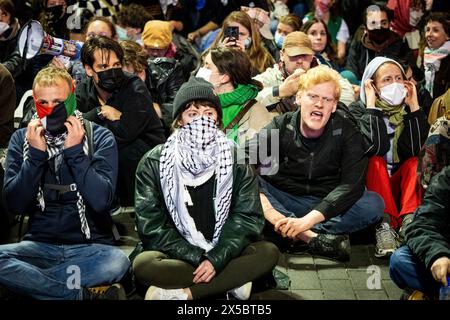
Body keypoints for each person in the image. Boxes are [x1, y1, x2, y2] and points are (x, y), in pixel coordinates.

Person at [132, 76, 279, 300]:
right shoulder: (154, 162)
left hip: (224, 249)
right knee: (144, 264)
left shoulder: (236, 159)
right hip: (178, 253)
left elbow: (247, 218)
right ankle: (231, 281)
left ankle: (183, 294)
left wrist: (216, 258)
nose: (202, 121)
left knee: (268, 253)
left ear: (218, 118)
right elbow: (151, 226)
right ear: (179, 120)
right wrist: (199, 257)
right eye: (193, 114)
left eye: (208, 114)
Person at [0, 66, 130, 300]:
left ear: (72, 95)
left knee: (118, 262)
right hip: (39, 245)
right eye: (43, 103)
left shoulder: (99, 137)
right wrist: (36, 158)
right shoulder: (22, 139)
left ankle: (35, 283)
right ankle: (78, 295)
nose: (50, 110)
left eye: (58, 102)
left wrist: (76, 154)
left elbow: (101, 201)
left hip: (90, 247)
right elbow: (14, 204)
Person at [249, 65, 384, 262]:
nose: (319, 104)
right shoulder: (280, 126)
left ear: (334, 105)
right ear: (298, 98)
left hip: (326, 203)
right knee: (247, 182)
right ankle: (311, 238)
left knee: (373, 204)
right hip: (282, 197)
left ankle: (289, 233)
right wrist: (271, 211)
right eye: (312, 96)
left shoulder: (346, 129)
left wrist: (306, 221)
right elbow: (243, 159)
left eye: (327, 99)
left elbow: (351, 185)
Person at [349, 57, 429, 256]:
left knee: (413, 162)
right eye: (386, 80)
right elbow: (373, 147)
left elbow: (417, 150)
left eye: (398, 78)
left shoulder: (410, 111)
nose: (395, 84)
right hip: (372, 190)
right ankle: (384, 227)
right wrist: (372, 107)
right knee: (375, 161)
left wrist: (414, 107)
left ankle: (410, 223)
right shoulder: (357, 111)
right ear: (372, 86)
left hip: (401, 187)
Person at [77, 36, 166, 207]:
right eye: (103, 67)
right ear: (89, 69)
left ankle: (141, 209)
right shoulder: (84, 90)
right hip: (108, 156)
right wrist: (99, 112)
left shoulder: (135, 87)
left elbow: (125, 133)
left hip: (147, 156)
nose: (112, 71)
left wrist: (93, 126)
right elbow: (75, 123)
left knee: (124, 149)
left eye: (116, 65)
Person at [253, 31, 356, 113]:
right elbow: (244, 97)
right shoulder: (273, 75)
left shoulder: (322, 71)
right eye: (294, 56)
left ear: (312, 56)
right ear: (282, 55)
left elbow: (348, 95)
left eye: (305, 56)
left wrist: (316, 101)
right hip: (281, 131)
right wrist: (280, 91)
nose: (300, 61)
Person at [389, 166, 450, 300]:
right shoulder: (446, 178)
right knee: (400, 260)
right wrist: (437, 255)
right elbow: (422, 223)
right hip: (447, 257)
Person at [196, 47, 274, 144]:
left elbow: (267, 155)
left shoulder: (256, 111)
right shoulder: (196, 102)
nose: (201, 70)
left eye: (207, 67)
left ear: (224, 77)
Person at [120, 39, 184, 133]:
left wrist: (141, 104)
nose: (134, 80)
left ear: (145, 65)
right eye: (127, 76)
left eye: (138, 73)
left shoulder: (168, 69)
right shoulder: (113, 79)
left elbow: (179, 112)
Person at [345, 4, 411, 80]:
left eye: (383, 23)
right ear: (365, 27)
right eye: (373, 23)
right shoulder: (359, 44)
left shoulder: (400, 44)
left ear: (389, 24)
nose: (379, 27)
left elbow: (408, 73)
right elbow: (351, 71)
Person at [211, 10, 274, 76]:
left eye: (241, 34)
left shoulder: (263, 57)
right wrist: (220, 57)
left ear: (250, 36)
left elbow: (260, 83)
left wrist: (243, 60)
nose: (237, 38)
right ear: (224, 34)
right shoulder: (210, 55)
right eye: (233, 33)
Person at [421, 13, 450, 99]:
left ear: (447, 36)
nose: (429, 34)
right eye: (428, 30)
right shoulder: (426, 55)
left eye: (435, 30)